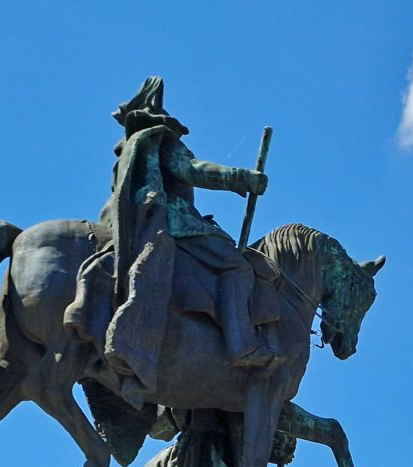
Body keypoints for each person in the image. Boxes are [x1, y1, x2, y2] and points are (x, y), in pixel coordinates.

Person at [67, 77, 278, 404]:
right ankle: (242, 346)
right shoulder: (161, 141)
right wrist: (242, 178)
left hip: (129, 223)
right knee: (237, 267)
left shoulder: (128, 151)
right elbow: (192, 170)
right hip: (173, 222)